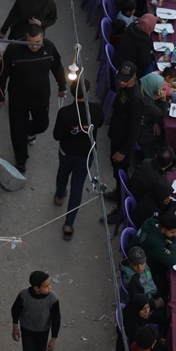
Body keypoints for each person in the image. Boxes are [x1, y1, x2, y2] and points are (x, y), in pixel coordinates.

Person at [0, 24, 65, 173]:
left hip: (41, 98)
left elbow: (57, 66)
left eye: (38, 42)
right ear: (25, 38)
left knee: (42, 125)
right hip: (18, 100)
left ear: (42, 37)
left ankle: (28, 130)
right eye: (30, 42)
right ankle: (21, 160)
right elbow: (2, 73)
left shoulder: (49, 47)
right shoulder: (13, 49)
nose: (34, 46)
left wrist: (62, 86)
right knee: (17, 130)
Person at [52, 80, 102, 238]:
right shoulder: (96, 109)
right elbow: (100, 123)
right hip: (85, 155)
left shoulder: (65, 112)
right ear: (87, 92)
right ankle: (68, 224)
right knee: (77, 188)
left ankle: (59, 196)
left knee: (62, 173)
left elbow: (56, 135)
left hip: (67, 152)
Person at [12, 270, 61, 351]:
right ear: (36, 288)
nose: (50, 288)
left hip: (43, 332)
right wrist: (15, 326)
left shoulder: (53, 299)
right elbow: (15, 309)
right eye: (46, 286)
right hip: (27, 330)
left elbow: (56, 319)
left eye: (49, 284)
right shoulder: (24, 295)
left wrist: (53, 338)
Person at [108, 62, 144, 181]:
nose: (121, 82)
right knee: (114, 166)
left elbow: (135, 129)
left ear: (134, 76)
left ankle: (120, 196)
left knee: (120, 172)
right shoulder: (126, 87)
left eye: (125, 80)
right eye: (120, 79)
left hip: (122, 139)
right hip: (116, 130)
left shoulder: (135, 100)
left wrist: (123, 151)